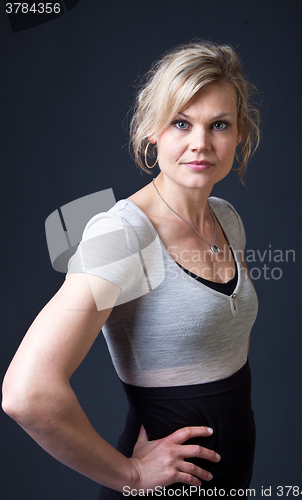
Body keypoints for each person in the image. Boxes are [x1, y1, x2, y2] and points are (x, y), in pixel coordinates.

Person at [2, 41, 260, 499]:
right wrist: (132, 476)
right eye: (181, 123)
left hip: (230, 479)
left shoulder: (226, 217)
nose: (201, 142)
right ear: (151, 131)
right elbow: (27, 392)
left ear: (240, 135)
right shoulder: (124, 235)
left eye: (218, 124)